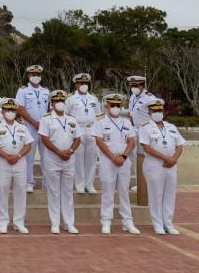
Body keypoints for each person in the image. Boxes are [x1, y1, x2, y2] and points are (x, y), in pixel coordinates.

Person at [92, 93, 140, 235]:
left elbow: (131, 141)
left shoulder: (126, 122)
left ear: (121, 106)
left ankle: (128, 221)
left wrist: (123, 156)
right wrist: (113, 157)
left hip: (124, 160)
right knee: (107, 192)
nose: (115, 107)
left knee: (124, 192)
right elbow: (99, 141)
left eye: (118, 105)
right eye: (112, 105)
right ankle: (106, 221)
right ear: (107, 106)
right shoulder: (100, 122)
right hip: (108, 160)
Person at [139, 98, 186, 235]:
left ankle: (168, 223)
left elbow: (179, 145)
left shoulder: (171, 127)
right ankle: (157, 224)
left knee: (169, 194)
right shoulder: (145, 127)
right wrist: (166, 158)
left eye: (159, 110)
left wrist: (174, 159)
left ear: (163, 111)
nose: (157, 113)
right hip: (154, 164)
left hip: (171, 165)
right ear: (149, 112)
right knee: (156, 194)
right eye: (154, 111)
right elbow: (146, 147)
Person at [38, 90, 81, 234]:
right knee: (54, 192)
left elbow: (77, 138)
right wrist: (58, 152)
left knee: (68, 192)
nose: (60, 103)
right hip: (52, 159)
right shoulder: (46, 119)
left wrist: (71, 151)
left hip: (69, 158)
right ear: (52, 103)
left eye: (62, 101)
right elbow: (44, 139)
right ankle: (55, 223)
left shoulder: (72, 119)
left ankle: (69, 223)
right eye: (57, 101)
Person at [0, 98, 32, 234]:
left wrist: (17, 156)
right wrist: (7, 156)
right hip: (2, 163)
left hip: (20, 163)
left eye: (12, 110)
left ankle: (19, 222)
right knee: (2, 192)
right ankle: (3, 222)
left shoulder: (22, 127)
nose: (10, 112)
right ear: (2, 111)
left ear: (16, 112)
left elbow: (28, 145)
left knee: (21, 192)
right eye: (7, 109)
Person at [15, 64, 50, 193]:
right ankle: (29, 182)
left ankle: (47, 183)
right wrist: (34, 123)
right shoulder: (22, 90)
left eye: (38, 75)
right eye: (33, 74)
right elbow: (20, 109)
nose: (36, 77)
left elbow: (50, 109)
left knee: (46, 157)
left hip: (45, 128)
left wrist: (45, 124)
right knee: (29, 156)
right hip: (29, 127)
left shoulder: (46, 91)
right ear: (28, 75)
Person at [66, 73, 101, 194]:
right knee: (78, 159)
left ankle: (89, 184)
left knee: (91, 159)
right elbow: (66, 116)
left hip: (91, 129)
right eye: (81, 83)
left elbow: (99, 115)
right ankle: (80, 185)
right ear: (76, 84)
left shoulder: (93, 98)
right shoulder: (71, 99)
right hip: (78, 130)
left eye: (86, 83)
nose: (84, 85)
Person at [127, 75, 155, 191]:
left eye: (136, 85)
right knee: (134, 156)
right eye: (132, 86)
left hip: (145, 130)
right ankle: (140, 182)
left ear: (142, 85)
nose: (133, 88)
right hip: (134, 129)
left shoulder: (150, 98)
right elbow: (131, 113)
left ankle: (148, 183)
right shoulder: (133, 96)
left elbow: (155, 114)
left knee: (145, 157)